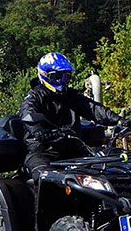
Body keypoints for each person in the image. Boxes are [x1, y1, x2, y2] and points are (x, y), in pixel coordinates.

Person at [20, 52, 121, 180]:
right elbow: (28, 113)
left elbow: (92, 108)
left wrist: (118, 119)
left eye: (65, 77)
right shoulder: (34, 97)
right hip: (43, 151)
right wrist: (38, 130)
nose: (62, 81)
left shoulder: (71, 96)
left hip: (73, 148)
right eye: (57, 77)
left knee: (110, 163)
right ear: (45, 76)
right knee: (45, 177)